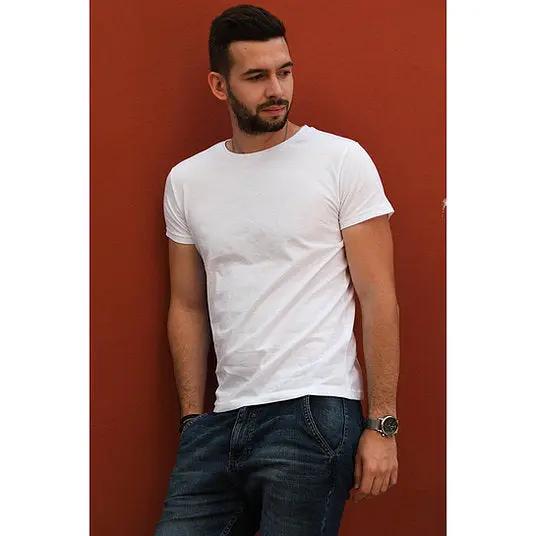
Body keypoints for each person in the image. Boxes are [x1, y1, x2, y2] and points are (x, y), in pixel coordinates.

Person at [154, 4, 400, 535]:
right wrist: (193, 419)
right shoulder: (187, 181)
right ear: (219, 86)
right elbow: (187, 305)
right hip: (219, 421)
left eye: (284, 71)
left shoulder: (340, 161)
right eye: (257, 77)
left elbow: (379, 297)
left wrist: (382, 424)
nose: (277, 90)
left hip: (313, 412)